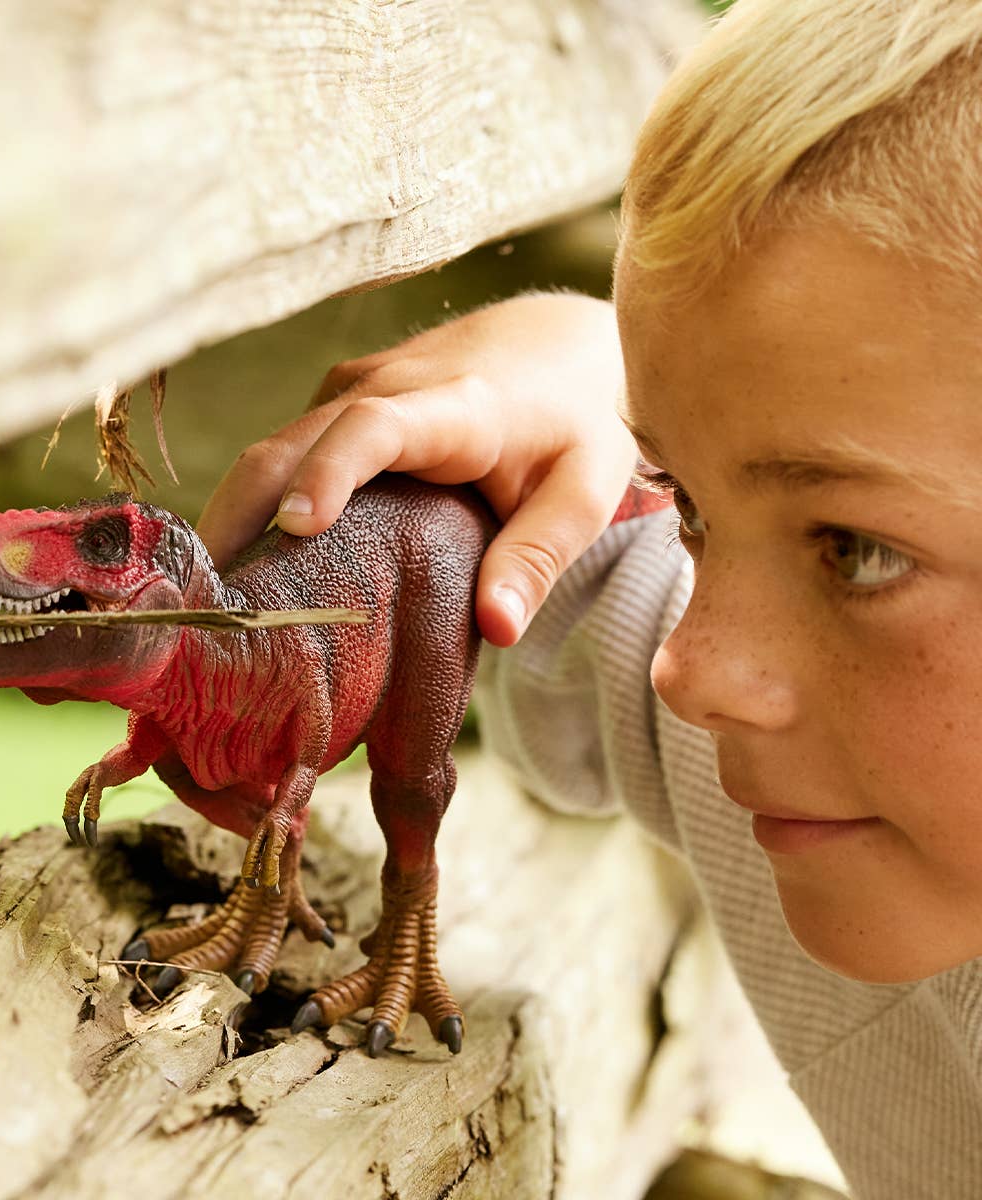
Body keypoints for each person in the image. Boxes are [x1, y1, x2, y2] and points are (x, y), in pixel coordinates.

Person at [196, 1, 982, 1195]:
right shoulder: (876, 777)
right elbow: (576, 604)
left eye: (856, 552)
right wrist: (572, 371)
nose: (691, 665)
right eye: (692, 507)